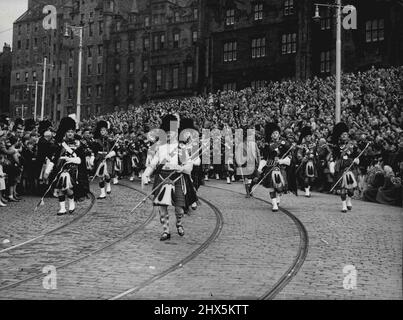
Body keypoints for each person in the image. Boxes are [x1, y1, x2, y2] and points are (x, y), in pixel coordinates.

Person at [142, 114, 195, 241]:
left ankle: (179, 223)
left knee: (179, 208)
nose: (169, 134)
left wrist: (182, 168)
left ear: (176, 132)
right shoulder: (160, 148)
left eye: (171, 132)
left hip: (176, 178)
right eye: (167, 132)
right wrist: (146, 174)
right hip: (162, 177)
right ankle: (166, 231)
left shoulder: (181, 148)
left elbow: (189, 165)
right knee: (162, 208)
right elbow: (153, 164)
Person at [51, 116, 83, 215]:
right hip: (61, 168)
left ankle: (71, 202)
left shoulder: (78, 144)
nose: (70, 133)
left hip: (72, 168)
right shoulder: (60, 144)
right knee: (61, 189)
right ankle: (62, 208)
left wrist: (73, 159)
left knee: (68, 189)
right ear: (65, 132)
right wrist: (49, 168)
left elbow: (80, 159)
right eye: (68, 131)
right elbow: (55, 157)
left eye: (72, 131)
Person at [259, 122, 292, 212]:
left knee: (279, 186)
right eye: (273, 134)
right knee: (271, 186)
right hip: (270, 166)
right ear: (270, 135)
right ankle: (274, 204)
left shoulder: (285, 143)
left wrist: (282, 161)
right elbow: (265, 157)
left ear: (279, 134)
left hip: (281, 166)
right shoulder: (266, 145)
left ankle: (278, 197)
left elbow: (289, 156)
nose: (275, 135)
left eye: (276, 133)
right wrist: (260, 167)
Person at [331, 122, 360, 213]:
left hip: (351, 168)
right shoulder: (336, 147)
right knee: (342, 188)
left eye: (346, 134)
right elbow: (335, 157)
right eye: (343, 134)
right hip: (341, 168)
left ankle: (349, 200)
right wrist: (333, 163)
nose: (345, 136)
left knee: (350, 190)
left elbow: (356, 154)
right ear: (340, 136)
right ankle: (343, 205)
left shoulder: (352, 145)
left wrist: (356, 159)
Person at [92, 120, 117, 199]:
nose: (102, 132)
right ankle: (102, 193)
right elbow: (94, 150)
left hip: (108, 158)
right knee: (100, 176)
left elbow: (115, 150)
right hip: (99, 158)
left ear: (107, 131)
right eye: (101, 130)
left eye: (104, 130)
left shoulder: (111, 140)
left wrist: (110, 154)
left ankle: (108, 185)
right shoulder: (96, 140)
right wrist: (93, 156)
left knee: (107, 174)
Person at [296, 126, 317, 198]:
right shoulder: (303, 145)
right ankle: (307, 191)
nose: (308, 137)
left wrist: (314, 155)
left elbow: (317, 153)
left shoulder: (314, 145)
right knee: (306, 178)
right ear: (305, 137)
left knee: (312, 178)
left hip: (312, 162)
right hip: (305, 163)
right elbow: (299, 153)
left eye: (309, 136)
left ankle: (309, 188)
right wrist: (302, 158)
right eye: (307, 136)